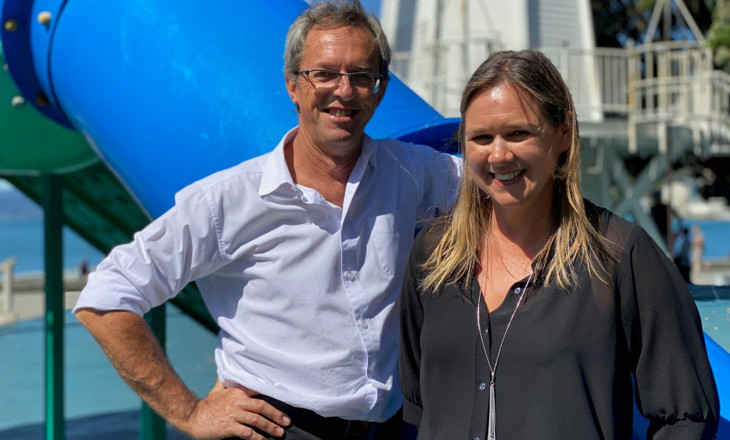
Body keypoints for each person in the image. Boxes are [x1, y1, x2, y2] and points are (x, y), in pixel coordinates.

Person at [73, 1, 461, 439]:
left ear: (380, 89)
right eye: (325, 74)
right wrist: (190, 414)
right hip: (276, 429)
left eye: (361, 76)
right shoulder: (227, 199)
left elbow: (511, 180)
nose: (344, 91)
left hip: (392, 426)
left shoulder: (416, 173)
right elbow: (106, 298)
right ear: (293, 84)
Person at [398, 50, 719, 439]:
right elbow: (418, 407)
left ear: (563, 132)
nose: (499, 155)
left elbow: (686, 416)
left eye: (518, 133)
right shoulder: (432, 256)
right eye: (481, 137)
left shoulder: (617, 255)